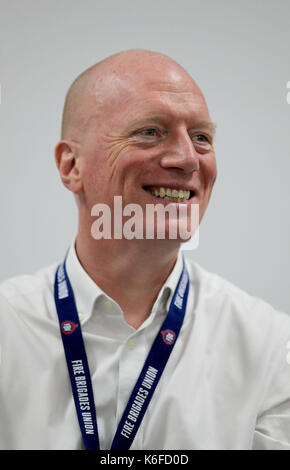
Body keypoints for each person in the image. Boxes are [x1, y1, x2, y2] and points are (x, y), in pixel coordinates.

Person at [0, 49, 289, 451]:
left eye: (202, 138)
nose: (188, 159)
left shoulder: (272, 348)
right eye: (151, 131)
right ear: (71, 166)